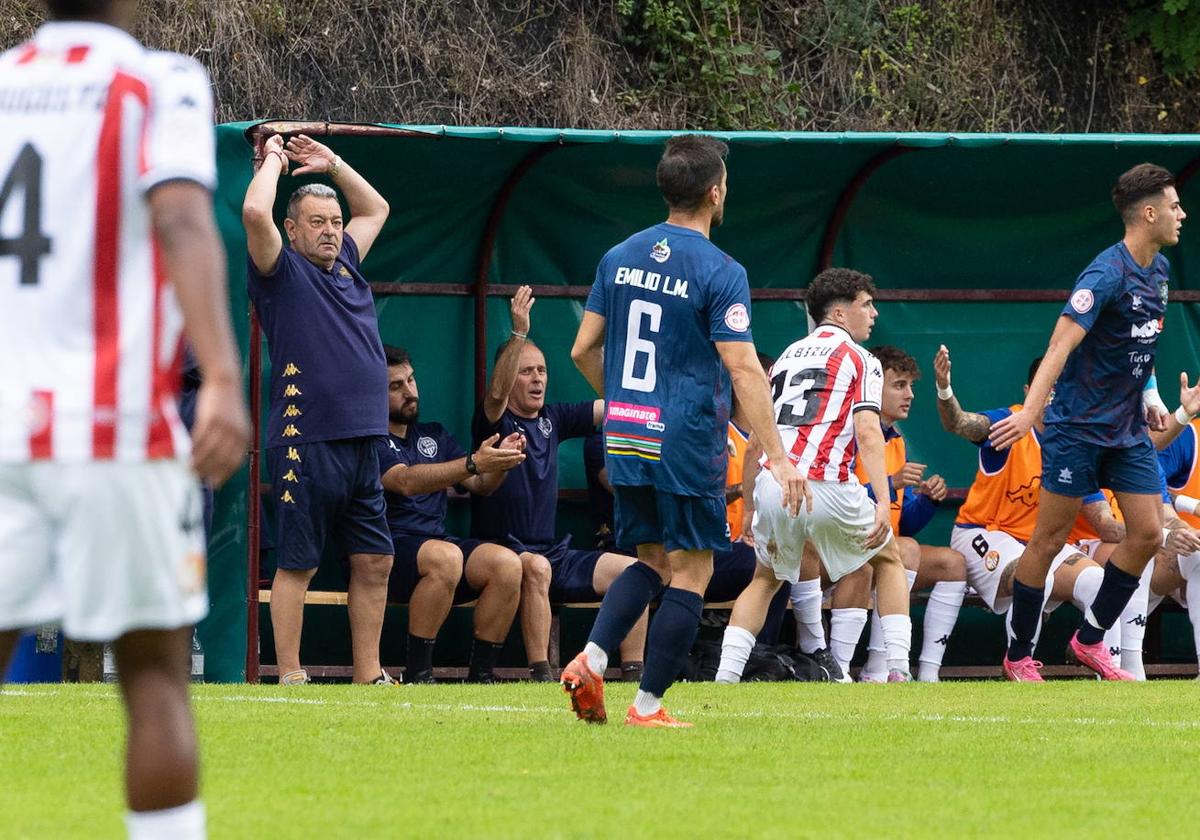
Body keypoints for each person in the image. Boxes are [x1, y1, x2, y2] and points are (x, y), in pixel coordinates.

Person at [0, 2, 250, 838]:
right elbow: (180, 216)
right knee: (151, 677)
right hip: (116, 429)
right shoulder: (160, 80)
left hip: (4, 425)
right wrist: (219, 373)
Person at [567, 135, 805, 726]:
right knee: (693, 572)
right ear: (716, 191)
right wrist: (776, 456)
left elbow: (581, 350)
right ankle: (646, 705)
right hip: (685, 437)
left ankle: (593, 658)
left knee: (649, 560)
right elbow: (745, 366)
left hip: (626, 431)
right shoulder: (721, 270)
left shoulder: (617, 255)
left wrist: (625, 402)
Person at [988, 163, 1186, 681]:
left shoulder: (1160, 273)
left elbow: (1142, 340)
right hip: (1076, 429)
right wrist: (1033, 411)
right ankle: (1018, 655)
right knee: (1048, 542)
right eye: (1173, 205)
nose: (1181, 214)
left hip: (1127, 432)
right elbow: (1060, 343)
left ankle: (1089, 640)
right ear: (1148, 213)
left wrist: (1152, 394)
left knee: (1145, 534)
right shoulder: (1105, 273)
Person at [243, 131, 395, 685]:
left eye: (334, 223)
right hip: (305, 439)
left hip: (363, 440)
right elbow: (255, 209)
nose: (331, 231)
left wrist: (331, 164)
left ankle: (369, 674)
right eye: (317, 223)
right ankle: (289, 672)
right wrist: (278, 159)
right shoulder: (280, 271)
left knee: (376, 560)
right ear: (292, 230)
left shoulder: (349, 260)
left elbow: (375, 207)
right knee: (298, 562)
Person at [715, 269, 911, 685]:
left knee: (765, 578)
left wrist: (749, 505)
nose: (873, 314)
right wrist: (881, 500)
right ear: (840, 313)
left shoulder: (785, 357)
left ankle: (725, 679)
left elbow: (755, 442)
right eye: (866, 304)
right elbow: (868, 433)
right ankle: (898, 671)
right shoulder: (862, 359)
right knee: (889, 560)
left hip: (775, 484)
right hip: (827, 482)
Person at [938, 347, 1154, 670]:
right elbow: (958, 422)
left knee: (1097, 579)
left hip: (1037, 544)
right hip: (982, 533)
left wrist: (1152, 533)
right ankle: (1021, 663)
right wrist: (944, 389)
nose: (1054, 393)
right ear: (1030, 391)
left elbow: (1105, 525)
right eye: (1047, 385)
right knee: (1037, 574)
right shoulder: (1009, 424)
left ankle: (1111, 675)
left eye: (1061, 385)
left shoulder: (1074, 443)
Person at [472, 286, 647, 682]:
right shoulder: (494, 420)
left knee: (635, 569)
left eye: (542, 371)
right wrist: (519, 333)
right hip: (504, 551)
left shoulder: (553, 418)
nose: (537, 379)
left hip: (553, 553)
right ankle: (542, 673)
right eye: (526, 371)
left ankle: (634, 670)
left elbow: (611, 406)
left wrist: (650, 395)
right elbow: (497, 395)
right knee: (533, 567)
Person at [376, 346, 526, 683]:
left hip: (440, 547)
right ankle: (419, 673)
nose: (410, 391)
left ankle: (482, 675)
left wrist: (501, 461)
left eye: (411, 380)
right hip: (389, 552)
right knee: (447, 557)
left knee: (508, 564)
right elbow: (404, 481)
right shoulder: (371, 440)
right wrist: (473, 461)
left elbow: (482, 484)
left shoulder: (435, 434)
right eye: (396, 386)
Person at [852, 345, 967, 684]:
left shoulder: (896, 439)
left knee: (952, 564)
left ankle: (929, 674)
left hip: (883, 544)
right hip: (844, 548)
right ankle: (877, 667)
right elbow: (841, 500)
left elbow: (902, 520)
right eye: (899, 385)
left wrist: (927, 501)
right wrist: (890, 481)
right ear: (874, 388)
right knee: (906, 549)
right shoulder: (854, 433)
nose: (910, 395)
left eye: (911, 386)